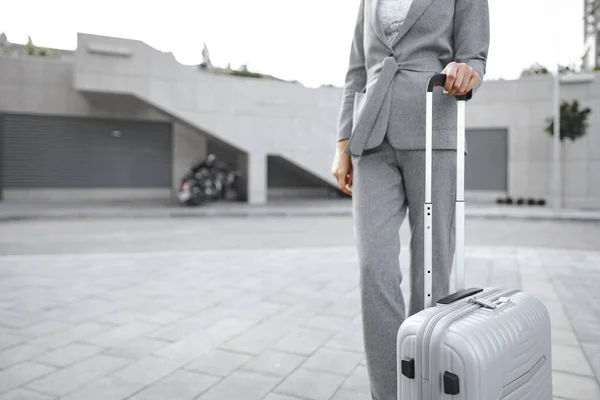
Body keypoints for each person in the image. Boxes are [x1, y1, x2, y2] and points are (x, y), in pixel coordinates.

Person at [331, 0, 489, 399]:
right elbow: (356, 69)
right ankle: (387, 392)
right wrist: (342, 143)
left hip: (433, 123)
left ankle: (425, 384)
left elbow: (474, 55)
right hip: (370, 135)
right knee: (374, 267)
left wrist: (466, 72)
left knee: (431, 269)